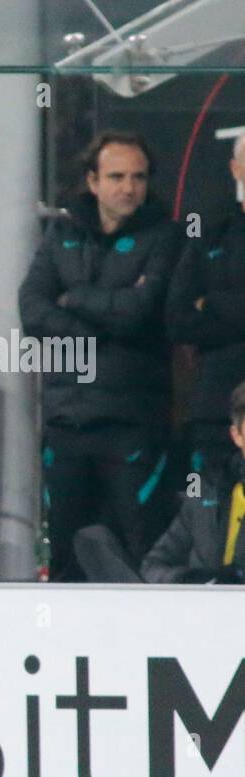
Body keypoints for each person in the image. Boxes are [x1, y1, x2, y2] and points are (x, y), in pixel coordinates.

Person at [19, 131, 182, 581]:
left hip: (132, 424)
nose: (128, 187)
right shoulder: (62, 233)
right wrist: (96, 323)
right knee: (69, 553)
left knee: (140, 549)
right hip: (66, 422)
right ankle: (67, 645)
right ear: (93, 181)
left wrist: (72, 299)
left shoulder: (166, 235)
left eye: (138, 177)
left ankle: (147, 645)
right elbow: (31, 309)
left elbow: (138, 313)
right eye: (116, 176)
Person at [166, 133, 245, 478]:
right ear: (235, 169)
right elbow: (178, 319)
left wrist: (212, 302)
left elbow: (197, 311)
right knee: (208, 518)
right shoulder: (207, 236)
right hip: (215, 411)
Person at [140, 380, 245, 584]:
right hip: (198, 612)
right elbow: (152, 566)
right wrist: (190, 580)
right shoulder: (206, 490)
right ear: (236, 435)